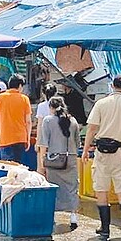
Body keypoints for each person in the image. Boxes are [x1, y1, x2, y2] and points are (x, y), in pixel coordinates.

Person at [81, 75, 121, 241]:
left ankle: (105, 229)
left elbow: (92, 128)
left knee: (101, 189)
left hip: (102, 153)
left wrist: (85, 149)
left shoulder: (101, 104)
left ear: (112, 86)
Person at [37, 96, 80, 230]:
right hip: (70, 158)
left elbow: (43, 143)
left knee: (53, 187)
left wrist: (41, 163)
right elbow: (77, 143)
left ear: (51, 107)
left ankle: (53, 215)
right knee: (72, 187)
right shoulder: (73, 121)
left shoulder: (48, 121)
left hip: (54, 159)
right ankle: (73, 216)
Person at [0, 74, 32, 163]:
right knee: (17, 168)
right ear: (20, 85)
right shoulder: (25, 99)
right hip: (20, 138)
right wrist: (28, 138)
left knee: (7, 167)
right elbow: (28, 121)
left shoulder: (0, 97)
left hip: (5, 138)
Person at [36, 84, 59, 159]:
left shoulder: (41, 106)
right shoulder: (59, 105)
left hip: (43, 138)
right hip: (56, 138)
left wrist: (37, 142)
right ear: (55, 93)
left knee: (41, 166)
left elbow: (40, 125)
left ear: (43, 94)